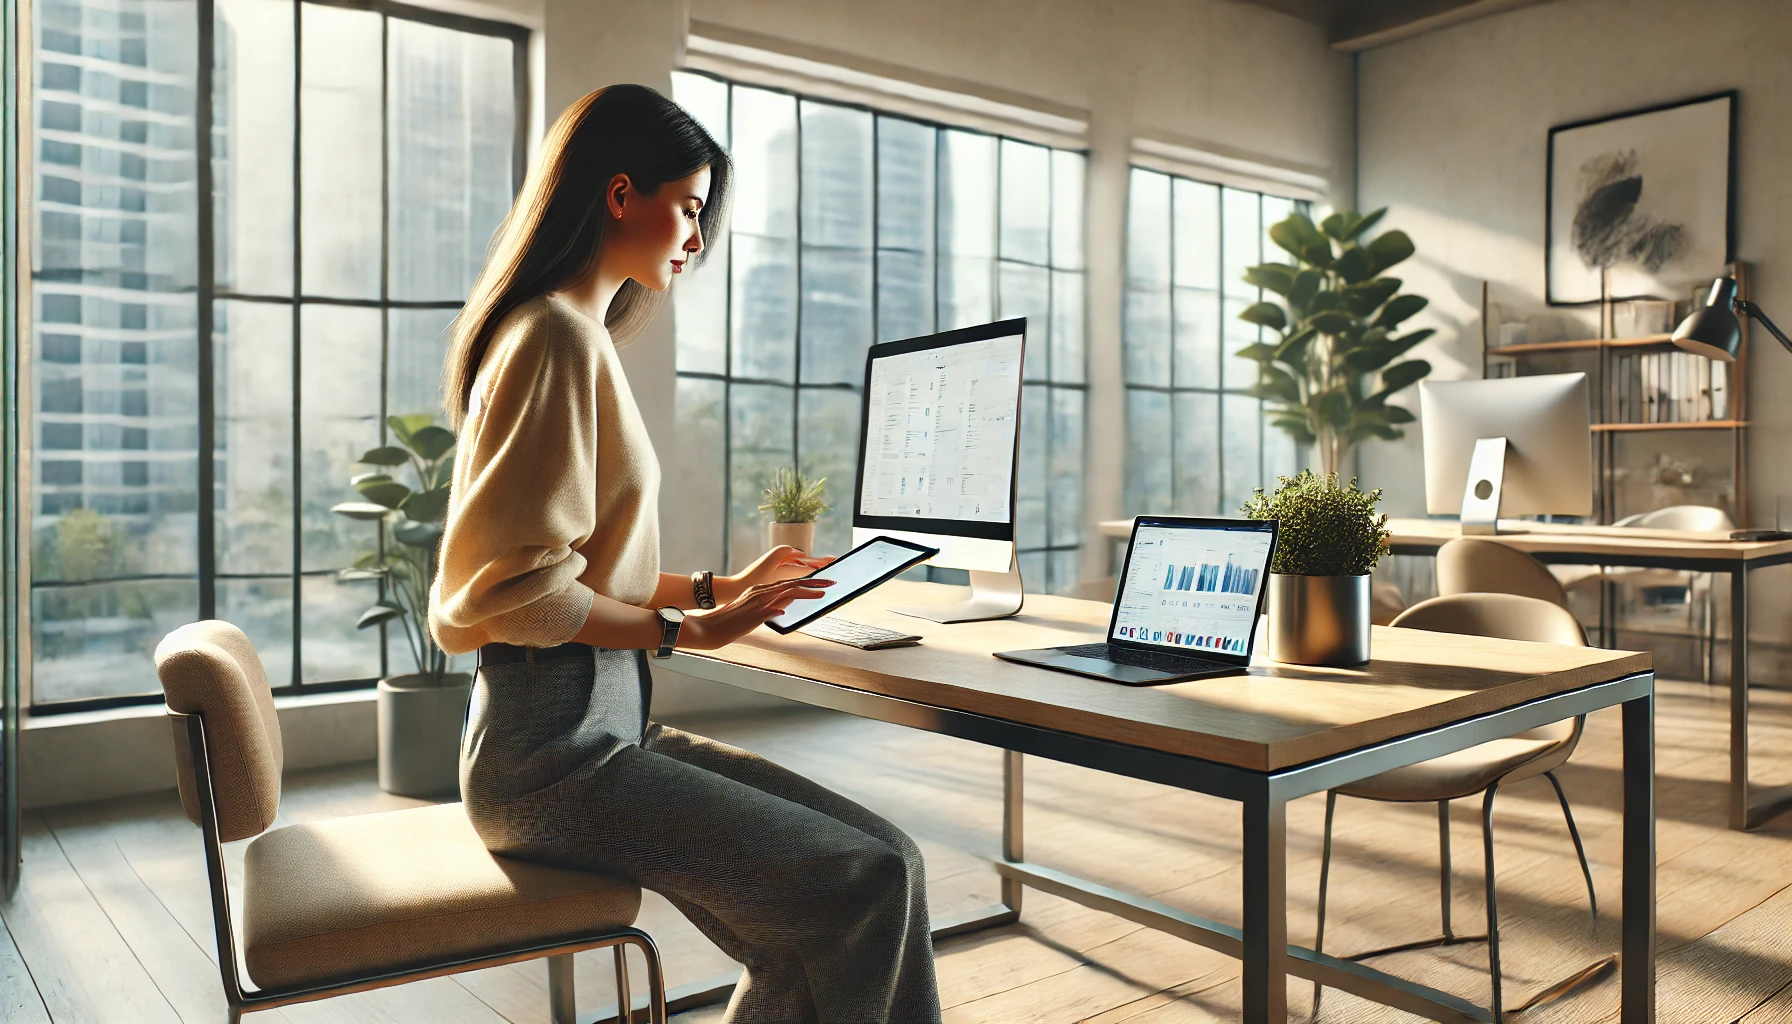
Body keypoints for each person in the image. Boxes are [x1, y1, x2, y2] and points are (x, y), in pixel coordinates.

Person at [429, 84, 942, 1023]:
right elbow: (519, 594)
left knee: (889, 861)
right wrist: (685, 628)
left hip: (598, 734)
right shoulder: (550, 337)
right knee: (860, 885)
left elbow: (579, 568)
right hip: (554, 762)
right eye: (692, 208)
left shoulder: (571, 335)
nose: (697, 239)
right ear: (622, 194)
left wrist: (718, 587)